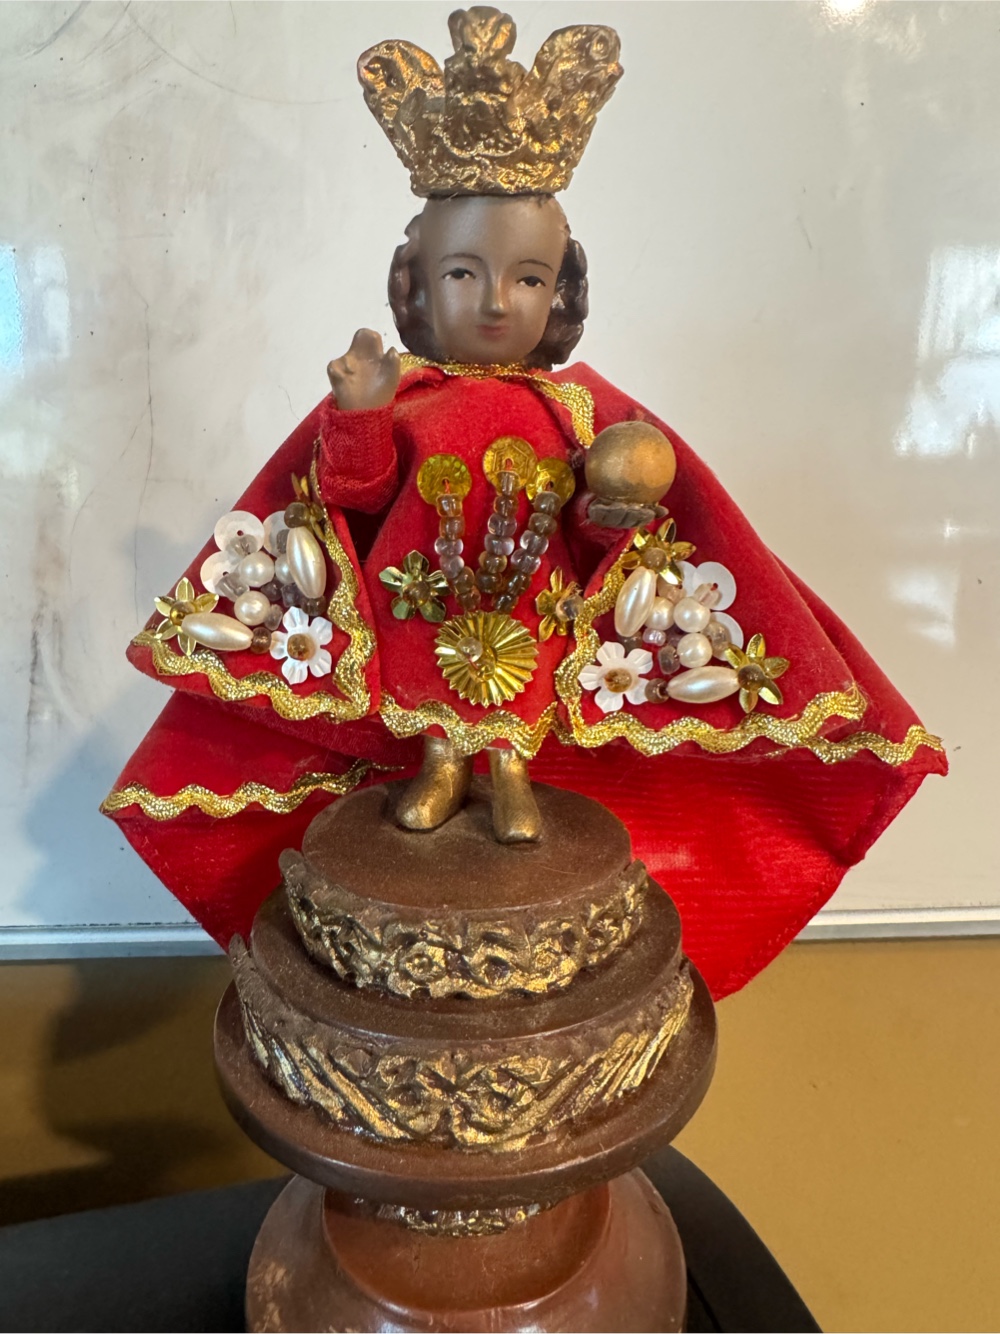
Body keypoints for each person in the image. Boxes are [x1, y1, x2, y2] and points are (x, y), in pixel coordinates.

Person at [103, 9, 945, 999]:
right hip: (420, 595)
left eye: (528, 277)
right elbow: (353, 496)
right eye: (465, 273)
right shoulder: (406, 396)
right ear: (418, 287)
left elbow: (601, 533)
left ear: (562, 291)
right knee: (432, 686)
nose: (497, 301)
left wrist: (614, 518)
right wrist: (359, 416)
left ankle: (507, 775)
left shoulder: (581, 412)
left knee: (517, 693)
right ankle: (439, 768)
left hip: (530, 596)